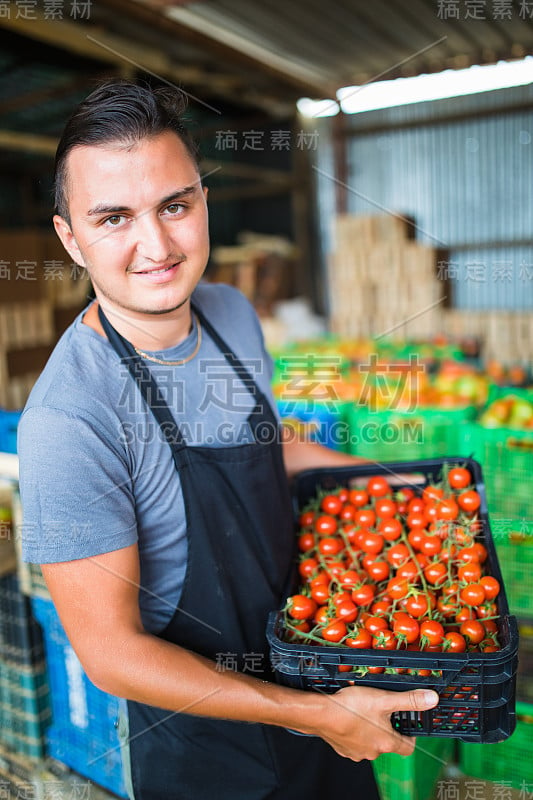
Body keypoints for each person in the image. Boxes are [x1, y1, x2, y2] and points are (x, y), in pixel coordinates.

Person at [18, 80, 438, 800]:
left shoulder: (230, 315)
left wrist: (381, 481)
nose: (155, 245)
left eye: (174, 205)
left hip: (317, 669)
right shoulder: (70, 419)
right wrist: (317, 715)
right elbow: (111, 655)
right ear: (70, 239)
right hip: (207, 748)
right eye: (113, 218)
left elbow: (259, 448)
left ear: (204, 202)